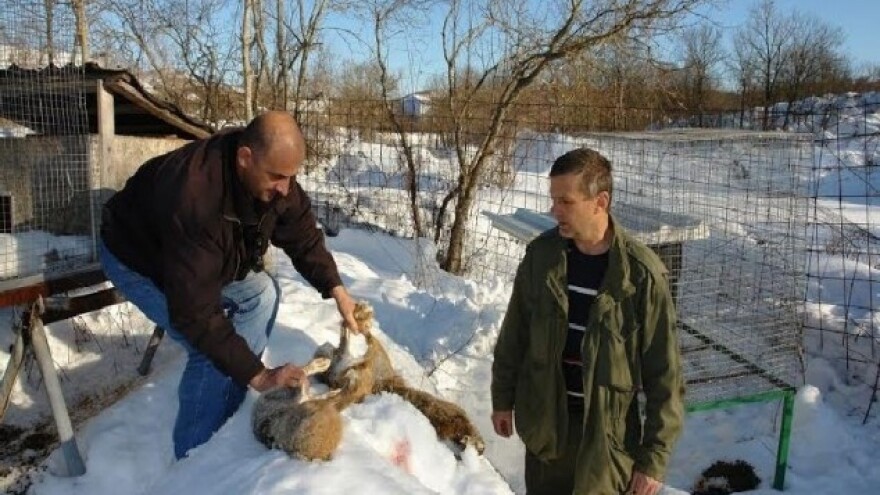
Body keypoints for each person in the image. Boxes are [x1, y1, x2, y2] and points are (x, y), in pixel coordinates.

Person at [99, 111, 360, 459]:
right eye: (277, 177)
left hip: (202, 260)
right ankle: (196, 459)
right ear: (245, 158)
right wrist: (260, 376)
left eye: (291, 177)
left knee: (262, 295)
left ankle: (227, 403)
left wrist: (336, 288)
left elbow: (301, 233)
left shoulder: (271, 173)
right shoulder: (194, 198)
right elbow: (197, 315)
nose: (285, 188)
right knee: (210, 353)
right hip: (139, 258)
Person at [490, 148, 684, 495]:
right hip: (547, 431)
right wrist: (502, 399)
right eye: (554, 199)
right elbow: (514, 334)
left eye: (566, 201)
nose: (555, 210)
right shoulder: (542, 257)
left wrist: (653, 459)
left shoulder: (640, 275)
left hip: (607, 444)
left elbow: (665, 375)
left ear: (600, 201)